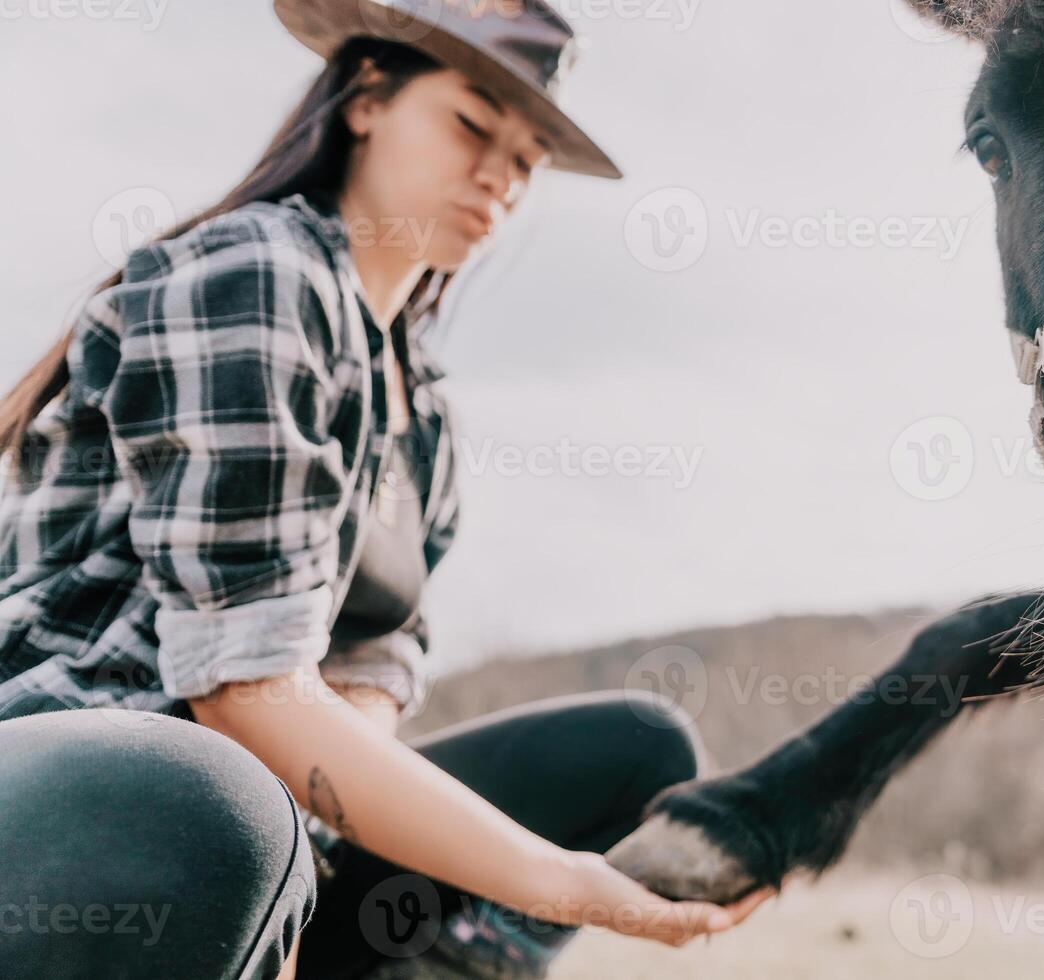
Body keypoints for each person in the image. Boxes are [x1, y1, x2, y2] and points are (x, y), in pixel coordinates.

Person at [0, 2, 774, 978]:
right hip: (82, 792)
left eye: (528, 158)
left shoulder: (426, 417)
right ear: (367, 97)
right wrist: (556, 878)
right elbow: (245, 691)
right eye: (471, 124)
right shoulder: (253, 275)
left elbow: (367, 673)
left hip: (265, 812)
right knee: (226, 796)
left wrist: (330, 829)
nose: (501, 174)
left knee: (636, 747)